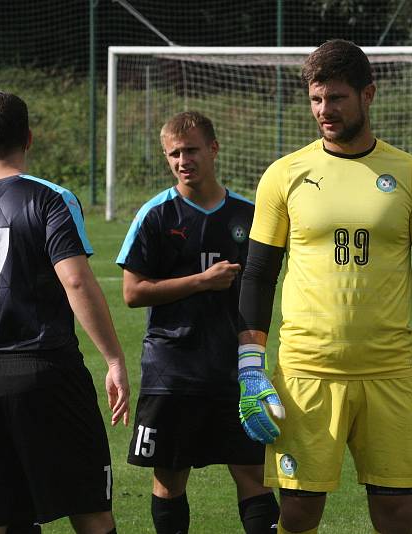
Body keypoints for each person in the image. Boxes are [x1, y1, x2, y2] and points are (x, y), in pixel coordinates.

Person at [236, 39, 412, 534]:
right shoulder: (284, 176)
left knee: (396, 513)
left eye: (337, 98)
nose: (325, 111)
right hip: (306, 373)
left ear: (368, 95)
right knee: (300, 513)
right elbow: (258, 275)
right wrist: (249, 368)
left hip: (388, 372)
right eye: (316, 99)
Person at [0, 91, 130, 534]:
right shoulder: (49, 199)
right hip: (46, 370)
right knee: (89, 509)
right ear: (29, 138)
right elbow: (76, 281)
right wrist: (115, 360)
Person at [117, 111, 279, 534]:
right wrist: (200, 282)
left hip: (235, 371)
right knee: (169, 479)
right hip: (172, 370)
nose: (182, 160)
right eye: (173, 153)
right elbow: (133, 292)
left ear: (213, 149)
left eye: (190, 150)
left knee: (252, 474)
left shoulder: (251, 214)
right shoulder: (155, 215)